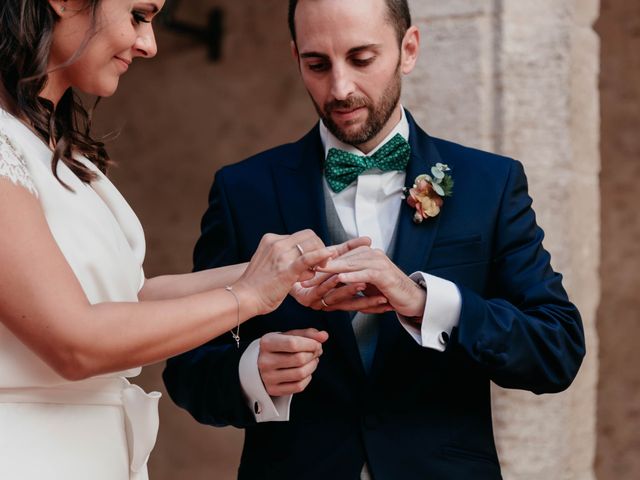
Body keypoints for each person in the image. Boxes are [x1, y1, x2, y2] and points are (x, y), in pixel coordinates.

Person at [163, 0, 586, 478]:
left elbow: (556, 349)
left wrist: (425, 302)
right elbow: (188, 367)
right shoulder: (244, 190)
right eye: (317, 64)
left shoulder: (491, 184)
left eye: (361, 59)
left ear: (409, 49)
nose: (340, 88)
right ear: (296, 56)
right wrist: (250, 375)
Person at [0, 1, 367, 478]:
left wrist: (279, 269)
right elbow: (76, 344)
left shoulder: (59, 150)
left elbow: (126, 299)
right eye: (138, 14)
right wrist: (249, 295)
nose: (149, 44)